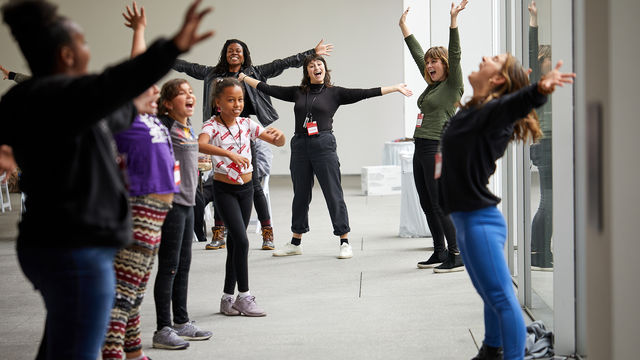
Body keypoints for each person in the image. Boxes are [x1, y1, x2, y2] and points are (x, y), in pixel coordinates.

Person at [0, 0, 212, 359]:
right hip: (76, 248)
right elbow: (119, 81)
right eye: (83, 43)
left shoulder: (37, 101)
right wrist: (172, 46)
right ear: (67, 55)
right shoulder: (63, 97)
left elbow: (115, 105)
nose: (89, 51)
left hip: (50, 244)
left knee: (60, 340)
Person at [439, 53, 574, 360]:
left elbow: (510, 106)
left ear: (498, 79)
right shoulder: (476, 111)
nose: (485, 56)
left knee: (501, 298)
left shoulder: (493, 114)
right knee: (490, 295)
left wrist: (537, 90)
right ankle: (491, 349)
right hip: (467, 220)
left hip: (479, 223)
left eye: (495, 59)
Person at [240, 55, 412, 259]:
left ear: (325, 70)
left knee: (333, 192)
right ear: (307, 72)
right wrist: (244, 78)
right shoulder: (298, 92)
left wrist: (394, 88)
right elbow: (268, 88)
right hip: (300, 145)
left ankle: (344, 241)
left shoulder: (335, 93)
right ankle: (296, 242)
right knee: (301, 195)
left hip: (324, 144)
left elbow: (365, 93)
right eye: (311, 66)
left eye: (319, 64)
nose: (316, 67)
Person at [173, 38, 333, 251]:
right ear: (225, 53)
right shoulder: (211, 73)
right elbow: (186, 67)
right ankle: (219, 232)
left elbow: (281, 64)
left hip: (245, 131)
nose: (234, 54)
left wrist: (311, 52)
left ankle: (268, 233)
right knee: (220, 181)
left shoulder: (253, 73)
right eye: (230, 50)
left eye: (238, 51)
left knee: (255, 184)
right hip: (219, 132)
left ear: (244, 54)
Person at [101, 4, 181, 360]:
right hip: (140, 209)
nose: (153, 90)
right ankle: (112, 350)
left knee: (138, 285)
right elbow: (137, 70)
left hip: (158, 212)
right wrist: (139, 34)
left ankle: (132, 351)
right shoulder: (126, 119)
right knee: (126, 287)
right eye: (145, 86)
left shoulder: (153, 120)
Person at [199, 77, 285, 316]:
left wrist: (280, 137)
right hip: (224, 189)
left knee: (236, 244)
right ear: (218, 103)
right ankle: (244, 296)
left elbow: (276, 141)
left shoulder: (247, 124)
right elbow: (201, 144)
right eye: (231, 100)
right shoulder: (211, 126)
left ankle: (227, 299)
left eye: (240, 100)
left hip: (246, 189)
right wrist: (229, 155)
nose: (237, 104)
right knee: (242, 240)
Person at [399, 1, 467, 273]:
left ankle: (456, 253)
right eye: (428, 62)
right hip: (421, 147)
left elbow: (456, 54)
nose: (428, 65)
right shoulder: (432, 86)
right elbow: (417, 54)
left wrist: (453, 22)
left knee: (439, 201)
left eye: (434, 61)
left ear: (445, 64)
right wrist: (404, 28)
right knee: (426, 201)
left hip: (437, 147)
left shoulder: (452, 86)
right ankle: (439, 251)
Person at [528, 0, 554, 271]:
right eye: (550, 57)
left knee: (551, 200)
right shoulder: (537, 82)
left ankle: (540, 252)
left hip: (550, 143)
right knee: (549, 200)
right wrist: (534, 22)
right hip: (545, 144)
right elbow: (531, 48)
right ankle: (538, 254)